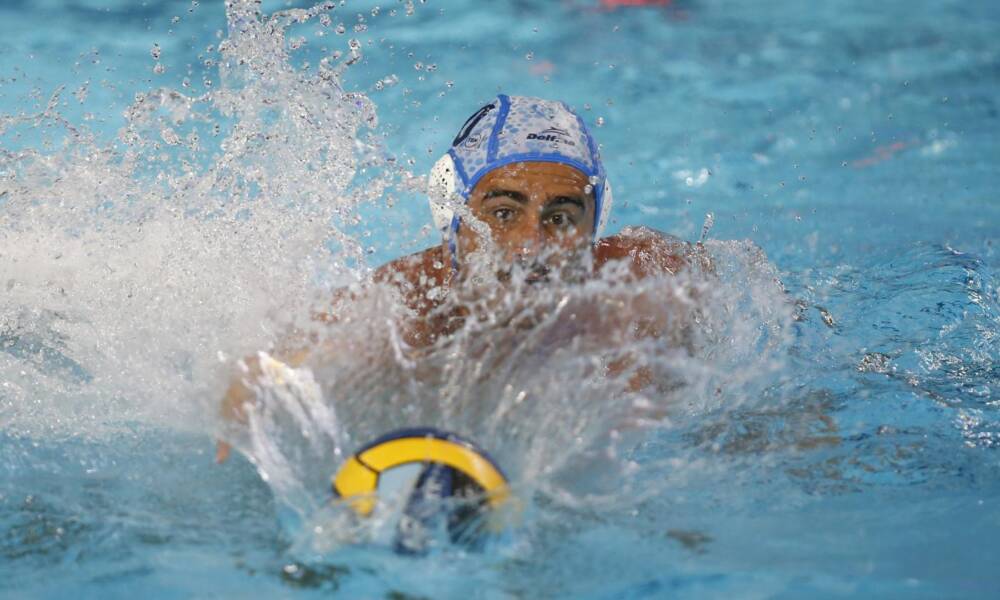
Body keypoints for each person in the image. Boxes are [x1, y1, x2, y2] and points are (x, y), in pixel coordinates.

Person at [215, 94, 706, 463]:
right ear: (453, 212)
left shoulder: (644, 282)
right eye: (503, 212)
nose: (530, 245)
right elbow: (267, 378)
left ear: (592, 226)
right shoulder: (411, 309)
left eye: (560, 217)